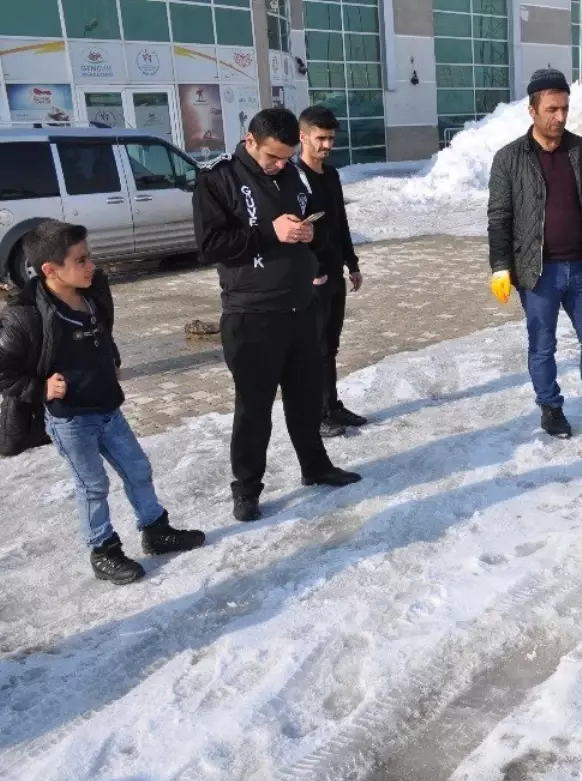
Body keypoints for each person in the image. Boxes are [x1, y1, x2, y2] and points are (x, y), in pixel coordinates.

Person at [0, 221, 205, 584]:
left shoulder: (93, 289)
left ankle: (156, 531)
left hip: (109, 409)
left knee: (137, 469)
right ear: (50, 270)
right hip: (71, 420)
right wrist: (39, 388)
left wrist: (111, 357)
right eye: (80, 260)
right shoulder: (24, 315)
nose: (90, 265)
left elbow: (101, 329)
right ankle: (103, 551)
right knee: (92, 486)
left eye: (89, 256)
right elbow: (5, 371)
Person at [193, 107, 361, 523]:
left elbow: (310, 227)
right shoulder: (218, 178)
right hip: (251, 314)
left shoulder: (292, 174)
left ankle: (315, 466)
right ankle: (247, 488)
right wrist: (272, 232)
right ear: (250, 140)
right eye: (272, 157)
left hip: (300, 306)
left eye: (286, 157)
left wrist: (307, 236)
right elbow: (210, 244)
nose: (280, 165)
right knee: (254, 409)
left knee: (305, 399)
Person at [486, 68, 582, 439]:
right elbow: (499, 218)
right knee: (543, 346)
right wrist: (501, 267)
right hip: (538, 272)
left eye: (565, 108)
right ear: (532, 111)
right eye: (552, 109)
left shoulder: (580, 150)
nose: (560, 117)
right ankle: (550, 407)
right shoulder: (509, 158)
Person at [295, 105, 368, 438]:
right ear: (303, 136)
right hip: (310, 279)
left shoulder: (332, 176)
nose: (326, 145)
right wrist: (311, 271)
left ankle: (332, 405)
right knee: (313, 348)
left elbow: (340, 223)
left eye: (330, 139)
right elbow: (293, 234)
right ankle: (315, 414)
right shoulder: (293, 179)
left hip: (334, 274)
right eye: (320, 138)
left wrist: (351, 263)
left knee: (329, 346)